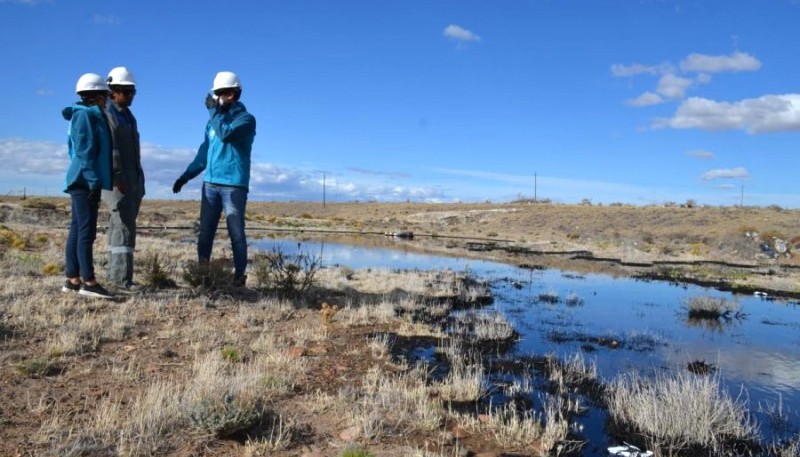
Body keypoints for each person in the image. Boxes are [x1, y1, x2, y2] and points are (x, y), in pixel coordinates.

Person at [173, 71, 256, 286]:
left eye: (223, 93)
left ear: (235, 94)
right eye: (217, 93)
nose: (219, 98)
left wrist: (213, 112)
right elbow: (203, 154)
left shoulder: (246, 120)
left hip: (233, 186)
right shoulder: (212, 122)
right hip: (210, 184)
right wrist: (186, 176)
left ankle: (239, 276)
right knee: (205, 233)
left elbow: (226, 134)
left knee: (236, 233)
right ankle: (203, 274)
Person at [62, 73, 115, 299]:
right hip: (84, 181)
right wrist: (93, 183)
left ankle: (73, 279)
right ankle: (89, 282)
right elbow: (83, 152)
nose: (108, 100)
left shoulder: (90, 115)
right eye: (105, 95)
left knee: (77, 229)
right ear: (96, 96)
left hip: (84, 180)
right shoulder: (84, 116)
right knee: (86, 231)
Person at [102, 67, 145, 291]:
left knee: (122, 227)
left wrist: (139, 180)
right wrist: (118, 175)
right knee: (122, 227)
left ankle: (115, 275)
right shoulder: (107, 114)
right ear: (113, 91)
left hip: (133, 180)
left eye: (133, 92)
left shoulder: (128, 116)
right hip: (118, 182)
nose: (131, 96)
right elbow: (111, 149)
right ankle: (120, 280)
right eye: (127, 92)